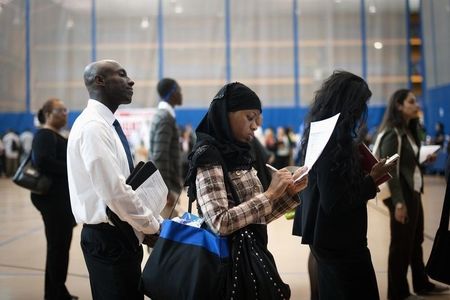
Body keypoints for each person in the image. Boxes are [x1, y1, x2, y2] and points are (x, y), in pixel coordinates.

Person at [185, 82, 308, 299]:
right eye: (249, 117)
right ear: (226, 115)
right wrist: (270, 194)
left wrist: (287, 193)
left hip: (251, 256)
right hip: (227, 267)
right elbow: (220, 222)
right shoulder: (208, 157)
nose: (255, 126)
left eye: (257, 119)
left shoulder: (241, 154)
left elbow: (254, 217)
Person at [292, 70, 395, 300]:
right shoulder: (336, 142)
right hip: (340, 242)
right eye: (360, 104)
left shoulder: (319, 130)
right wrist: (371, 180)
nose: (362, 112)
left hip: (323, 234)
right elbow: (335, 202)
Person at [67, 59, 163, 300]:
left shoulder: (106, 125)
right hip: (108, 239)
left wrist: (148, 224)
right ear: (99, 81)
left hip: (123, 233)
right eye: (121, 75)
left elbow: (126, 185)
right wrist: (151, 226)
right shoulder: (93, 128)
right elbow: (115, 192)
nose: (130, 81)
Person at [377, 89, 449, 300]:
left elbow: (407, 161)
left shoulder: (407, 130)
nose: (416, 105)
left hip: (413, 191)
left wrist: (423, 159)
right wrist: (399, 203)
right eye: (411, 102)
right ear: (399, 106)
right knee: (400, 245)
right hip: (402, 195)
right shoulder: (392, 132)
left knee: (415, 240)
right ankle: (397, 293)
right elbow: (390, 169)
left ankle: (421, 283)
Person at [31, 98, 77, 300]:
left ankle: (57, 290)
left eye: (66, 110)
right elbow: (42, 161)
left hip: (60, 201)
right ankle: (54, 293)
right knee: (57, 248)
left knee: (59, 248)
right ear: (48, 114)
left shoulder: (56, 135)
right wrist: (72, 169)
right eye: (60, 110)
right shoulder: (45, 135)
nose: (65, 113)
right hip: (53, 201)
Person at [149, 77, 183, 218]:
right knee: (167, 236)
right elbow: (160, 156)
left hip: (165, 187)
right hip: (165, 191)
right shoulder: (165, 118)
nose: (181, 94)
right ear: (173, 92)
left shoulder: (163, 115)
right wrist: (166, 191)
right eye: (179, 90)